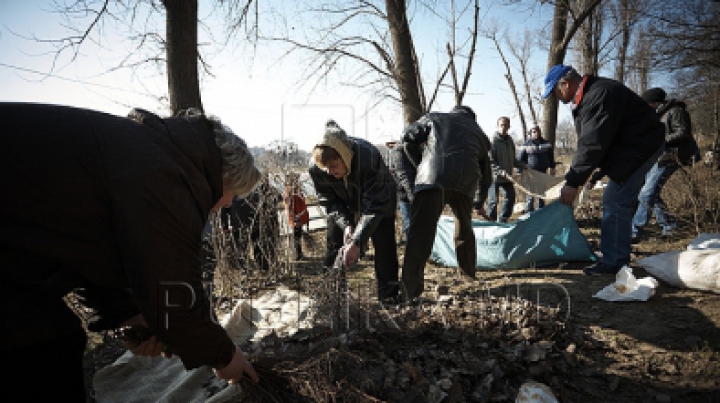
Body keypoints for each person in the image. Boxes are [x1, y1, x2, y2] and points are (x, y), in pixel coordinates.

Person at [0, 103, 262, 401]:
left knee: (52, 338)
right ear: (225, 176)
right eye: (234, 195)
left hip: (14, 256)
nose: (228, 204)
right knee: (42, 348)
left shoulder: (149, 153)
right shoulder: (165, 176)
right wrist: (225, 357)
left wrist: (128, 314)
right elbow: (173, 289)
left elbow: (88, 251)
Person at [542, 65, 665, 276]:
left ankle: (614, 261)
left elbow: (592, 144)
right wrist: (594, 175)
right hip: (633, 148)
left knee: (615, 201)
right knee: (617, 200)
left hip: (641, 146)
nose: (555, 96)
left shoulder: (599, 95)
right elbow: (602, 142)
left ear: (565, 83)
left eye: (555, 91)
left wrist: (572, 182)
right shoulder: (592, 94)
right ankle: (615, 255)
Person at [396, 105, 493, 301]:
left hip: (433, 177)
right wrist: (479, 201)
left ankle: (410, 291)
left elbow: (406, 139)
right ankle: (468, 275)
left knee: (420, 233)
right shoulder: (479, 133)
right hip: (466, 181)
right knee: (464, 227)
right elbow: (487, 176)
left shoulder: (434, 118)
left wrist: (420, 166)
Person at [308, 120, 399, 301]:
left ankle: (388, 297)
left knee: (384, 246)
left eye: (333, 166)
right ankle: (332, 296)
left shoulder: (368, 157)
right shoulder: (317, 169)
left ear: (345, 156)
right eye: (325, 168)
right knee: (334, 244)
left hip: (380, 201)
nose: (329, 172)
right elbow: (329, 201)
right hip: (344, 204)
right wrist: (347, 225)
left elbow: (375, 205)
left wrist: (357, 241)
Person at [631, 87, 700, 243]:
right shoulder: (658, 115)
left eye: (647, 104)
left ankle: (633, 232)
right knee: (651, 194)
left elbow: (683, 132)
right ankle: (670, 226)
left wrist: (660, 141)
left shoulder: (676, 111)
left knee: (646, 193)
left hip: (671, 157)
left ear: (654, 102)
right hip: (660, 157)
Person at [487, 117, 527, 222]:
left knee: (511, 198)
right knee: (493, 201)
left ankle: (502, 220)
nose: (503, 127)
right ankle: (490, 224)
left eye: (506, 125)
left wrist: (522, 165)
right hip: (494, 177)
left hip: (507, 177)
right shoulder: (492, 141)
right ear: (497, 126)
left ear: (509, 127)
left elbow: (513, 160)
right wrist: (500, 171)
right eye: (501, 125)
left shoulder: (510, 141)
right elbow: (490, 161)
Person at [518, 125, 557, 213]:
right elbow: (520, 159)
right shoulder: (525, 145)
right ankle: (529, 213)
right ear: (530, 133)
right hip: (530, 173)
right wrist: (519, 172)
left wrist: (553, 167)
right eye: (534, 132)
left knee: (541, 193)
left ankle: (541, 212)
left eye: (538, 131)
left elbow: (551, 157)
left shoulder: (546, 143)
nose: (536, 133)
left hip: (543, 173)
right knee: (530, 193)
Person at [386, 139, 417, 244]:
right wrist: (412, 197)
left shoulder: (412, 151)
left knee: (409, 219)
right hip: (404, 193)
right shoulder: (398, 152)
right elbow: (404, 177)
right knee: (408, 219)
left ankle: (407, 239)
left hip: (412, 192)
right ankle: (409, 243)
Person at [283, 173, 311, 259]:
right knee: (296, 237)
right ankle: (297, 254)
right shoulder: (290, 192)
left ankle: (298, 254)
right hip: (296, 218)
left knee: (298, 236)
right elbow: (290, 206)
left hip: (299, 217)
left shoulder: (296, 190)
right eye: (296, 179)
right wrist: (295, 218)